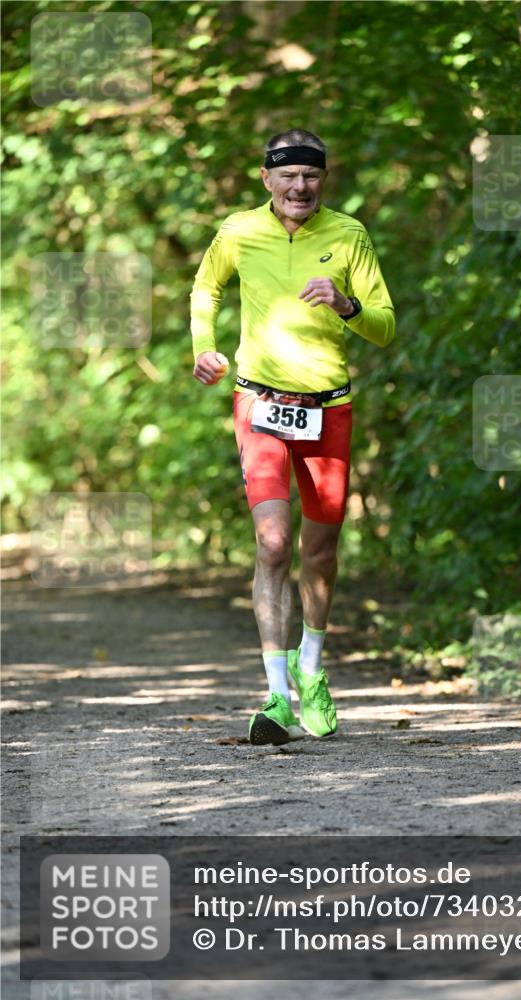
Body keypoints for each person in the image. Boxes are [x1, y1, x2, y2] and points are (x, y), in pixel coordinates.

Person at [190, 128, 395, 746]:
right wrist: (205, 347)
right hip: (259, 403)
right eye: (288, 176)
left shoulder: (348, 235)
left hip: (329, 408)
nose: (299, 187)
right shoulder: (237, 232)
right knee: (274, 543)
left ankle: (312, 669)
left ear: (322, 181)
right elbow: (207, 288)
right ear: (266, 178)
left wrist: (348, 305)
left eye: (311, 176)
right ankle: (277, 693)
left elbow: (385, 328)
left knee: (320, 553)